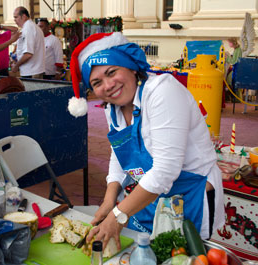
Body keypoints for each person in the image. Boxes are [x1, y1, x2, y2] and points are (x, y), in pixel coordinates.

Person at [67, 32, 225, 249]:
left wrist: (118, 215)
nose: (108, 85)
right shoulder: (112, 107)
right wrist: (108, 201)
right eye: (97, 82)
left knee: (184, 257)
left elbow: (166, 170)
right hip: (152, 196)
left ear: (131, 67)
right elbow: (119, 152)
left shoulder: (162, 91)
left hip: (190, 195)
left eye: (112, 72)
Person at [12, 6, 45, 78]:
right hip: (33, 70)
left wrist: (16, 65)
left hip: (32, 72)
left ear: (23, 16)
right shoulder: (30, 26)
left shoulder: (28, 28)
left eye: (16, 17)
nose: (14, 20)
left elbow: (28, 54)